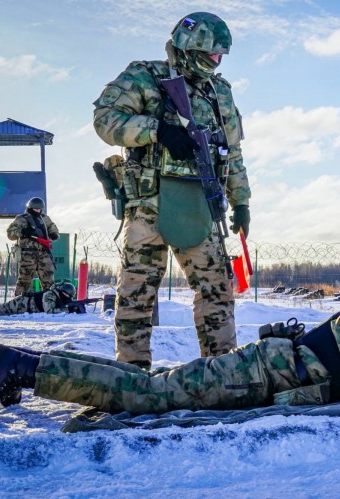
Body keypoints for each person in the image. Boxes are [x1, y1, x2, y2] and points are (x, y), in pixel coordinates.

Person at [0, 265, 340, 425]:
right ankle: (20, 367)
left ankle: (26, 367)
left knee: (149, 387)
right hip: (261, 372)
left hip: (269, 378)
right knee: (151, 395)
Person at [92, 12, 251, 369]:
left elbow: (233, 150)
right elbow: (105, 119)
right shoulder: (146, 77)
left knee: (217, 288)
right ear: (187, 47)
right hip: (149, 202)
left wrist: (241, 201)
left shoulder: (219, 92)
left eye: (220, 57)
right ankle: (132, 372)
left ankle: (220, 371)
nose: (216, 62)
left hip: (198, 202)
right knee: (137, 292)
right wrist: (158, 131)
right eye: (210, 55)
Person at [6, 197, 60, 296]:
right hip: (28, 253)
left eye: (40, 209)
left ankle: (49, 300)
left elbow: (54, 230)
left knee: (49, 280)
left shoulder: (45, 219)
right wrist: (22, 232)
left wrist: (53, 235)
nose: (38, 211)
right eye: (36, 209)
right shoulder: (21, 219)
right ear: (30, 207)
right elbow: (10, 234)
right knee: (24, 279)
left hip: (44, 252)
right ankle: (19, 302)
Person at [0, 282, 76, 317]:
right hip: (20, 304)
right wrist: (67, 310)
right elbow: (49, 311)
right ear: (63, 292)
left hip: (23, 305)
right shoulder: (50, 295)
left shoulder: (57, 296)